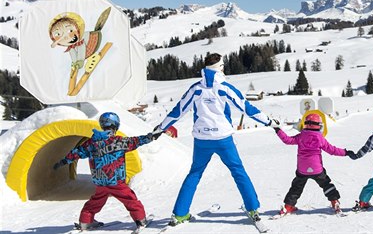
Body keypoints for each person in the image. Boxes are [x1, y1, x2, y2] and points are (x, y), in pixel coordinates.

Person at [154, 53, 273, 226]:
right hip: (223, 138)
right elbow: (247, 108)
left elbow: (178, 111)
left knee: (194, 174)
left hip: (202, 140)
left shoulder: (196, 89)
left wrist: (160, 128)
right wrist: (269, 121)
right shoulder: (225, 88)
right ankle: (253, 208)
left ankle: (180, 214)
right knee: (238, 171)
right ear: (220, 68)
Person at [53, 112, 159, 231]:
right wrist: (151, 137)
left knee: (95, 202)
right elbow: (136, 141)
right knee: (130, 199)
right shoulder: (118, 141)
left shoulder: (91, 143)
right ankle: (140, 220)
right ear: (115, 126)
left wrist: (62, 162)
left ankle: (85, 221)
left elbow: (77, 152)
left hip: (100, 181)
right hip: (116, 181)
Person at [271, 113, 348, 215]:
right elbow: (332, 150)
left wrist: (278, 129)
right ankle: (334, 202)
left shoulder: (301, 136)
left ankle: (288, 206)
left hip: (302, 170)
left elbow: (287, 140)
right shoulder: (320, 138)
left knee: (296, 188)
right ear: (318, 125)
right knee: (326, 184)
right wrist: (345, 152)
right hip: (317, 169)